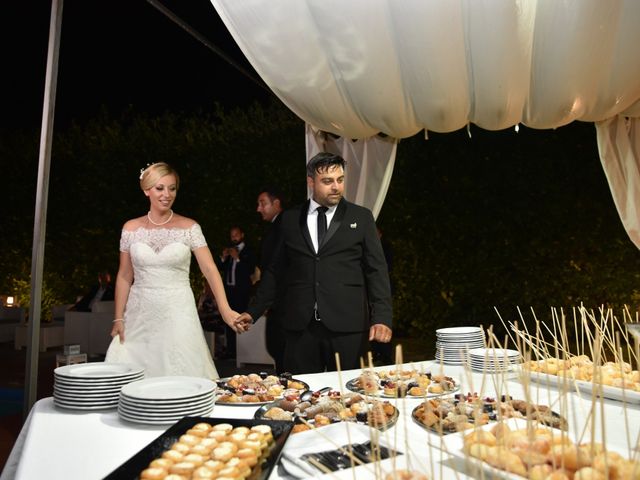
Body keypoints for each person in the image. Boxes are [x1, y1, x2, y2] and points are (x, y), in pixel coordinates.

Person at [236, 152, 393, 374]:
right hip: (300, 326)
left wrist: (382, 317)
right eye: (328, 181)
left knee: (349, 396)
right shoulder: (289, 219)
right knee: (302, 394)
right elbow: (275, 271)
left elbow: (377, 271)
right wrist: (253, 311)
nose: (336, 187)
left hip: (347, 325)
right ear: (311, 182)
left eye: (340, 180)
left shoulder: (361, 217)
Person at [105, 162, 244, 378]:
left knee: (182, 375)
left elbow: (210, 269)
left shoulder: (189, 228)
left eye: (172, 188)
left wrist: (225, 310)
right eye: (160, 188)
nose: (167, 194)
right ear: (146, 190)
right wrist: (118, 317)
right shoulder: (130, 228)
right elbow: (124, 275)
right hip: (139, 315)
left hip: (178, 312)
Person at [255, 186, 285, 372]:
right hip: (275, 300)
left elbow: (274, 267)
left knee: (280, 348)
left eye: (262, 203)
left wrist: (265, 300)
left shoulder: (283, 227)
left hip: (280, 301)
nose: (259, 209)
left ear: (276, 203)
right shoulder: (276, 227)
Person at [218, 226, 256, 359]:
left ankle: (243, 353)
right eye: (232, 235)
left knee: (240, 319)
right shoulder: (230, 250)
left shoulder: (248, 251)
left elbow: (250, 270)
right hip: (229, 291)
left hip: (242, 292)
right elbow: (222, 268)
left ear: (242, 235)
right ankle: (231, 351)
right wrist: (223, 258)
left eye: (236, 234)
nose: (233, 237)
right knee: (228, 319)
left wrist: (238, 258)